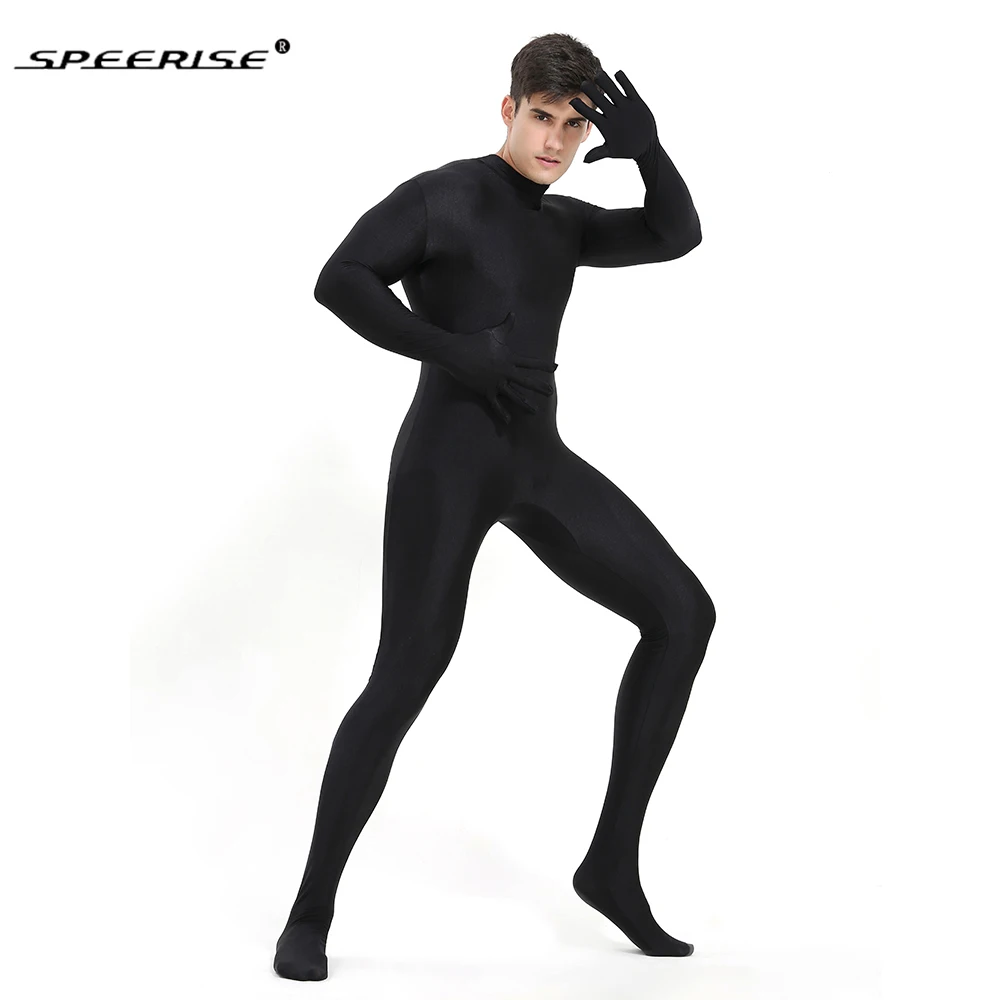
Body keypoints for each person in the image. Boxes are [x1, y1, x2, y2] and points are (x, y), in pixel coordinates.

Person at [273, 32, 715, 981]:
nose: (555, 140)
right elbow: (340, 278)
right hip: (446, 460)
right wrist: (448, 348)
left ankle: (610, 866)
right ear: (508, 109)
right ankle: (309, 912)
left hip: (535, 460)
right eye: (541, 117)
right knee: (408, 672)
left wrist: (651, 153)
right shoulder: (442, 196)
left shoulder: (565, 226)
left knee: (684, 614)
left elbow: (675, 234)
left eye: (573, 125)